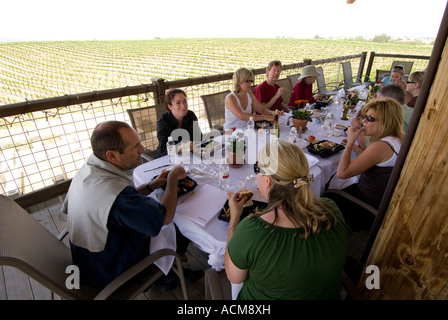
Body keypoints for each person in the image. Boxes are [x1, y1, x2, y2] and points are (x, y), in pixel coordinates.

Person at [63, 121, 202, 290]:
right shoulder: (119, 197)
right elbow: (164, 217)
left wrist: (151, 186)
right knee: (181, 223)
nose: (142, 149)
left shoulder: (88, 170)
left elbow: (121, 201)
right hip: (112, 275)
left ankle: (168, 267)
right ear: (112, 156)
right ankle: (165, 275)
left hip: (90, 258)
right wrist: (172, 180)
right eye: (135, 146)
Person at [224, 139, 351, 300]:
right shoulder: (331, 209)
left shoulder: (252, 230)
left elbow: (234, 277)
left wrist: (234, 219)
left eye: (258, 168)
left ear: (267, 179)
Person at [336, 98, 404, 230]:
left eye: (371, 119)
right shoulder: (396, 140)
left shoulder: (381, 146)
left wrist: (350, 142)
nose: (364, 121)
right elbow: (375, 160)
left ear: (386, 122)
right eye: (364, 117)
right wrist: (358, 149)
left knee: (323, 187)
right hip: (377, 200)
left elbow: (342, 173)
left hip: (364, 206)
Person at [156, 88, 202, 158]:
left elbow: (199, 137)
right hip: (167, 159)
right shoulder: (163, 122)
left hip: (189, 156)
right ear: (170, 106)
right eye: (178, 103)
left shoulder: (190, 115)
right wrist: (180, 148)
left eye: (185, 101)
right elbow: (163, 150)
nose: (183, 106)